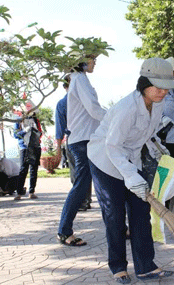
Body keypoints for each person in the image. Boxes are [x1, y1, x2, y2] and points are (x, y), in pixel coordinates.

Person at [87, 57, 174, 284]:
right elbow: (112, 145)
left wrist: (157, 150)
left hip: (130, 159)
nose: (162, 92)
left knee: (140, 212)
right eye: (157, 87)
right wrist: (129, 175)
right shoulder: (126, 107)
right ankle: (117, 266)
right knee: (115, 216)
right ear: (143, 84)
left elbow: (143, 135)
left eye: (166, 87)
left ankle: (146, 266)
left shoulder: (158, 103)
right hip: (105, 161)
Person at [57, 53, 106, 246]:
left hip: (89, 139)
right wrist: (117, 117)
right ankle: (64, 230)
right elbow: (94, 110)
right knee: (82, 186)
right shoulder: (79, 79)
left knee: (104, 184)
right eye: (93, 59)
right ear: (83, 62)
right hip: (83, 141)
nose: (95, 62)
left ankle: (119, 227)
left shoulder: (80, 79)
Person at [55, 75, 91, 211]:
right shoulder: (84, 99)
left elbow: (60, 127)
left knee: (76, 172)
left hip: (74, 139)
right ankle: (85, 199)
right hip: (88, 138)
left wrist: (58, 147)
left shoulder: (62, 103)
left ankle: (81, 202)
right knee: (86, 171)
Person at [13, 108, 42, 200]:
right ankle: (19, 192)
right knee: (23, 170)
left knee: (34, 170)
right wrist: (25, 131)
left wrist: (35, 131)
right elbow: (15, 135)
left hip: (35, 146)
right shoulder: (18, 121)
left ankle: (32, 191)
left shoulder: (35, 120)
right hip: (24, 147)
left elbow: (40, 132)